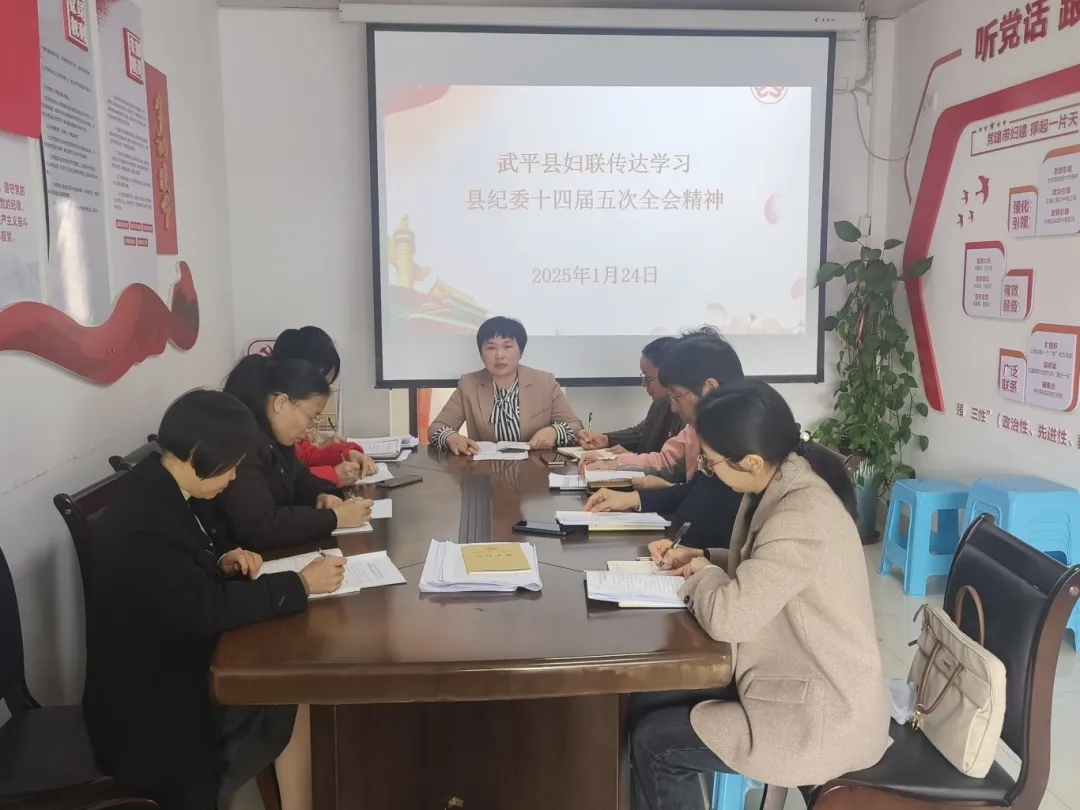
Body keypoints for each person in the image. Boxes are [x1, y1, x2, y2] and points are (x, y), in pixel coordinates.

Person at [83, 389, 349, 810]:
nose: (234, 477)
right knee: (284, 688)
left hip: (166, 670)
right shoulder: (143, 523)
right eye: (232, 465)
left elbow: (177, 577)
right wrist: (300, 584)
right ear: (197, 454)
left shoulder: (161, 487)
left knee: (287, 686)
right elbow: (205, 608)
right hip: (148, 712)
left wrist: (220, 561)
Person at [629, 380, 889, 810]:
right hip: (790, 681)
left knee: (656, 743)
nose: (707, 470)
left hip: (820, 714)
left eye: (710, 462)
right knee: (647, 699)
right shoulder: (778, 481)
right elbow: (766, 566)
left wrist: (701, 574)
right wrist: (702, 556)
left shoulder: (801, 515)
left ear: (750, 461)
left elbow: (730, 618)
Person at [196, 355, 373, 551]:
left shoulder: (277, 439)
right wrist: (335, 518)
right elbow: (260, 527)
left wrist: (321, 497)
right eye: (312, 417)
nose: (310, 428)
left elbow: (301, 479)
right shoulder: (243, 445)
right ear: (281, 403)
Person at [585, 336, 745, 549]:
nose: (674, 408)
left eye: (676, 396)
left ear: (710, 388)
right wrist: (633, 499)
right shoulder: (715, 432)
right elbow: (694, 489)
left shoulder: (744, 443)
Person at [428, 316, 583, 454]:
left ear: (520, 351)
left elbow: (575, 426)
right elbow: (436, 428)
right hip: (484, 470)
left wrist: (554, 431)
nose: (499, 355)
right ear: (481, 354)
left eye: (507, 346)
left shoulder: (544, 382)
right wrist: (451, 437)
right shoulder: (469, 384)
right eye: (491, 348)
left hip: (536, 469)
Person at [272, 327, 377, 486]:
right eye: (320, 384)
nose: (323, 396)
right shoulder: (264, 420)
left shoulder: (291, 413)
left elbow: (304, 456)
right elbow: (279, 482)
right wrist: (331, 476)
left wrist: (347, 453)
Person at [578, 336, 684, 455]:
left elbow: (675, 463)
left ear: (669, 374)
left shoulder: (689, 413)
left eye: (648, 378)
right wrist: (605, 439)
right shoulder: (660, 404)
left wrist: (635, 460)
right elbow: (641, 434)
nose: (644, 384)